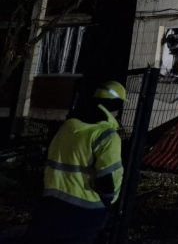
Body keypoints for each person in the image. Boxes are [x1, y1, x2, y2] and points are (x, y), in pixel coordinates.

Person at [26, 80, 126, 244]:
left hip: (50, 206)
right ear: (117, 106)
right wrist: (108, 203)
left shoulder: (67, 127)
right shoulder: (106, 135)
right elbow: (107, 180)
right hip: (84, 213)